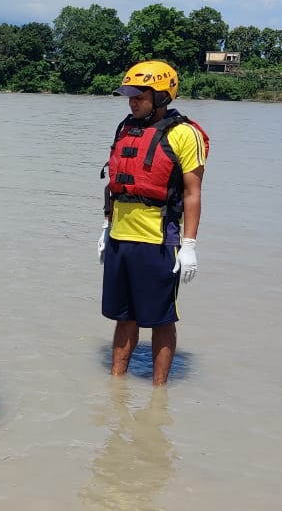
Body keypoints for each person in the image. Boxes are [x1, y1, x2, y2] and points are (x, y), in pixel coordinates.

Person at [98, 60, 208, 386]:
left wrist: (189, 245)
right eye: (128, 95)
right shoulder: (126, 128)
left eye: (139, 95)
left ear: (161, 96)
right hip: (120, 238)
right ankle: (116, 386)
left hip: (159, 241)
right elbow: (116, 184)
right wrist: (106, 228)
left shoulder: (185, 134)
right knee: (124, 318)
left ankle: (159, 394)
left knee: (160, 321)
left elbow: (192, 193)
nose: (132, 101)